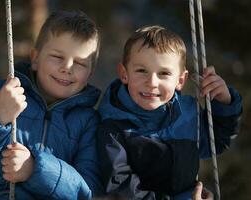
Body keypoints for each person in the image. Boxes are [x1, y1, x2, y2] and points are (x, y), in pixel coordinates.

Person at [0, 10, 103, 199]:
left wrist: (36, 169)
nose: (67, 68)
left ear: (90, 72)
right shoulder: (1, 94)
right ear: (35, 58)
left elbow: (87, 192)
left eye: (80, 63)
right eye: (57, 57)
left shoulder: (89, 121)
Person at [96, 25, 242, 199]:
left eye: (163, 73)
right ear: (124, 73)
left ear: (180, 80)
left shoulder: (188, 113)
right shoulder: (113, 127)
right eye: (142, 71)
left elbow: (216, 142)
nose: (152, 82)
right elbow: (119, 188)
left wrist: (223, 102)